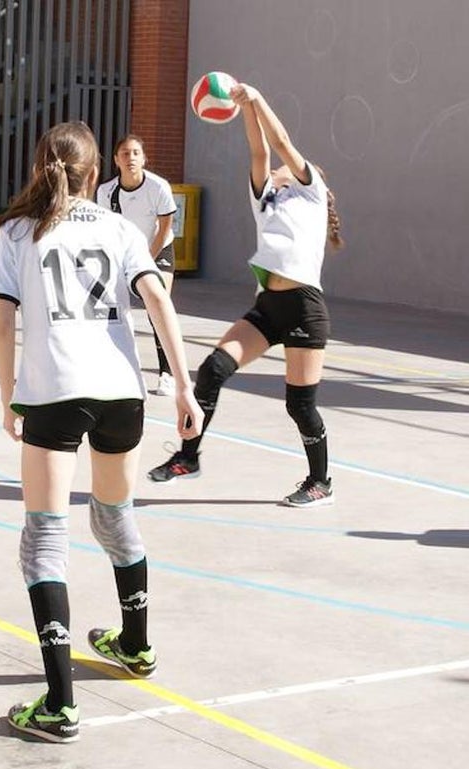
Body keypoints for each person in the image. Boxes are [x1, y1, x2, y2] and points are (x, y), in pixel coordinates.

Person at [0, 122, 201, 743]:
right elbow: (159, 300)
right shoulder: (119, 227)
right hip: (120, 392)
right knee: (113, 518)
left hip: (56, 390)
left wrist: (8, 397)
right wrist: (183, 386)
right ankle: (135, 644)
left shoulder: (18, 232)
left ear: (40, 167)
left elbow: (3, 325)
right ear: (95, 172)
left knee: (43, 540)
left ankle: (60, 705)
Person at [146, 83, 344, 508]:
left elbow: (280, 142)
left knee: (299, 406)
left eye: (291, 167)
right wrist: (245, 109)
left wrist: (256, 98)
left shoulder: (310, 194)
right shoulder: (265, 199)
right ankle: (187, 457)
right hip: (268, 307)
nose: (281, 167)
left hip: (305, 309)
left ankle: (321, 481)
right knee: (212, 370)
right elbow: (260, 151)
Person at [97, 135, 179, 395]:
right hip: (122, 254)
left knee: (158, 305)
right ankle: (112, 368)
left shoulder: (158, 187)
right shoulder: (106, 191)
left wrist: (146, 260)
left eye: (135, 153)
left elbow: (164, 227)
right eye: (124, 153)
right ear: (116, 160)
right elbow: (107, 231)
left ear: (144, 158)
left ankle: (167, 373)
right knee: (112, 309)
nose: (130, 158)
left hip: (158, 249)